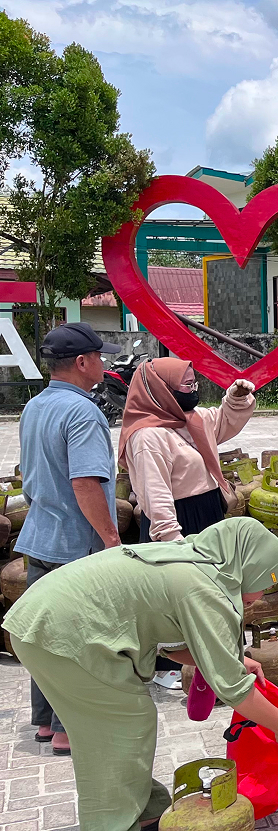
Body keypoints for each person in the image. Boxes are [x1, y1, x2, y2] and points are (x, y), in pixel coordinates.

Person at [2, 517, 278, 831]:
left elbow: (171, 649)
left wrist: (234, 660)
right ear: (245, 563)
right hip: (60, 633)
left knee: (120, 728)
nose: (263, 592)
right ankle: (110, 823)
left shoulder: (192, 560)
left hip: (46, 619)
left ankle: (146, 807)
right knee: (119, 728)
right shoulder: (205, 588)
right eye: (264, 579)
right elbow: (233, 688)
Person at [14, 322, 122, 757]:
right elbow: (85, 484)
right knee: (78, 641)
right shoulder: (83, 412)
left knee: (47, 638)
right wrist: (112, 540)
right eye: (99, 356)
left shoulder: (35, 406)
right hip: (75, 547)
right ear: (82, 363)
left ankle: (44, 723)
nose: (103, 363)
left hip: (39, 538)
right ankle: (66, 730)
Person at [118, 357, 256, 689]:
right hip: (179, 523)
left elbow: (221, 422)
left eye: (195, 382)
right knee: (176, 597)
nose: (193, 389)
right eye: (186, 384)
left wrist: (235, 398)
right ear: (161, 390)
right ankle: (169, 666)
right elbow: (155, 495)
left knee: (212, 593)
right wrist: (174, 544)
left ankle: (214, 656)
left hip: (207, 514)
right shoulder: (147, 436)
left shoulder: (188, 420)